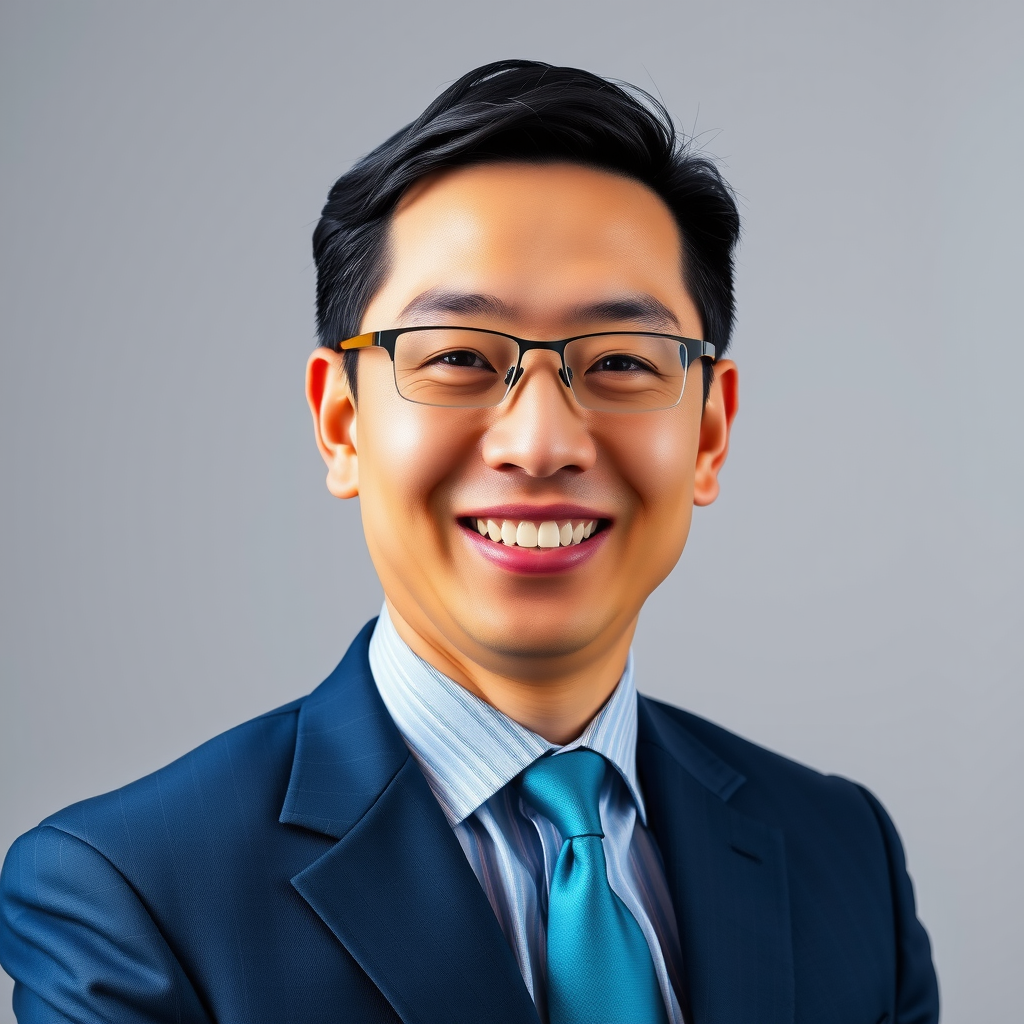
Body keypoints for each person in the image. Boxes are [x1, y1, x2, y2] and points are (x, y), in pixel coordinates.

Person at [0, 60, 939, 1024]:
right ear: (341, 423)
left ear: (708, 431)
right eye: (456, 357)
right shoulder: (130, 897)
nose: (542, 443)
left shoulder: (844, 857)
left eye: (622, 362)